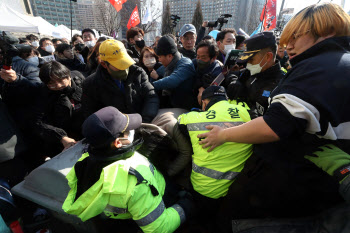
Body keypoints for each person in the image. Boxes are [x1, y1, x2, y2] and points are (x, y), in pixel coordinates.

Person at [197, 3, 350, 232]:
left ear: (326, 30)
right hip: (311, 187)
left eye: (296, 36)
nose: (289, 46)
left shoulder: (319, 67)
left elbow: (275, 124)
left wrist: (223, 134)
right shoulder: (336, 65)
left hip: (289, 186)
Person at [62, 106, 192, 233]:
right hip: (159, 202)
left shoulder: (83, 162)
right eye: (127, 129)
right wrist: (185, 206)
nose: (133, 129)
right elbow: (159, 228)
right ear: (118, 142)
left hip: (122, 217)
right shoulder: (135, 179)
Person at [178, 86, 252, 229]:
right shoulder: (246, 112)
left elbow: (179, 120)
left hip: (204, 189)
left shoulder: (193, 118)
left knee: (203, 222)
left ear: (204, 102)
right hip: (237, 187)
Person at [82, 39, 159, 123]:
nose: (124, 68)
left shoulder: (138, 73)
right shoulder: (91, 84)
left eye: (125, 62)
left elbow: (151, 96)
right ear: (104, 64)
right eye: (119, 65)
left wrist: (143, 121)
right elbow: (91, 115)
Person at [227, 32, 285, 117]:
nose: (248, 63)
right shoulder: (251, 71)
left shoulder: (281, 86)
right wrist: (234, 81)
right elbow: (233, 76)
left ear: (268, 57)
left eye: (251, 59)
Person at [36, 61, 85, 154]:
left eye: (60, 80)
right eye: (51, 83)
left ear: (68, 76)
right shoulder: (43, 94)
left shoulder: (79, 79)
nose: (57, 86)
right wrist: (62, 137)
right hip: (67, 140)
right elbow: (40, 122)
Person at [152, 35, 196, 110]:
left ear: (169, 56)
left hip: (185, 109)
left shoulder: (185, 64)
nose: (159, 60)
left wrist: (150, 86)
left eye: (160, 57)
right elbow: (155, 74)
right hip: (171, 106)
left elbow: (172, 80)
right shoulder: (167, 66)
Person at [193, 40, 222, 106]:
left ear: (213, 58)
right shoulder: (193, 64)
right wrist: (200, 87)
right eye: (198, 56)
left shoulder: (218, 71)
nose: (199, 59)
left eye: (203, 57)